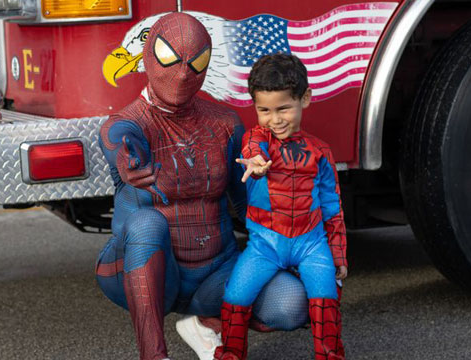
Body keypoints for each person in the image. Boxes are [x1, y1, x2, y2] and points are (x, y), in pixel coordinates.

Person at [95, 13, 311, 360]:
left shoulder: (224, 123)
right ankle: (154, 355)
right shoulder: (125, 125)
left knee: (292, 303)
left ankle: (206, 323)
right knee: (147, 223)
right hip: (142, 272)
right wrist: (128, 157)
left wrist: (296, 244)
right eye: (170, 59)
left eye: (195, 63)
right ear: (150, 55)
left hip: (213, 275)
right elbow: (119, 141)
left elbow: (247, 205)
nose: (182, 73)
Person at [213, 54, 348, 360]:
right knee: (235, 297)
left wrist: (338, 251)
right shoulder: (256, 141)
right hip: (265, 245)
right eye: (264, 110)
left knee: (326, 298)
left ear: (305, 99)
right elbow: (252, 147)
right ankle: (231, 355)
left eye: (284, 108)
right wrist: (255, 163)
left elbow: (331, 205)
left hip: (312, 244)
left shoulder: (320, 152)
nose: (275, 119)